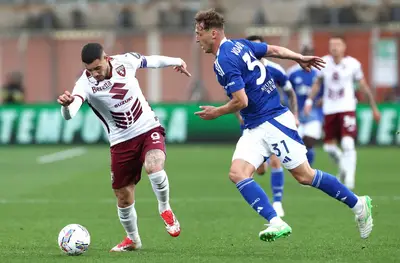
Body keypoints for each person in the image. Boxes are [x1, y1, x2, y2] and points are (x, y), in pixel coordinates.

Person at [193, 9, 373, 242]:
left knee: (305, 176)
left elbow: (241, 100)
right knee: (237, 173)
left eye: (199, 33)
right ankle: (276, 221)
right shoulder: (241, 45)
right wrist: (298, 57)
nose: (197, 38)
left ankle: (359, 205)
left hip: (274, 121)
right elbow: (274, 50)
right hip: (255, 126)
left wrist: (216, 112)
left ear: (213, 33)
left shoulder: (224, 61)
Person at [57, 43, 191, 252]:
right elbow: (71, 112)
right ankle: (133, 239)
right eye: (89, 70)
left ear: (106, 58)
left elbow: (151, 61)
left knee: (154, 166)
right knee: (123, 196)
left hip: (147, 127)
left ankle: (165, 208)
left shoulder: (125, 61)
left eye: (97, 68)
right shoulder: (84, 84)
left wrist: (177, 61)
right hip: (120, 141)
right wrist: (65, 107)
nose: (94, 74)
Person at [233, 35, 299, 218]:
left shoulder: (275, 69)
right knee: (259, 170)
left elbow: (289, 91)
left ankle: (277, 202)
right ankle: (264, 203)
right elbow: (234, 99)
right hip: (251, 124)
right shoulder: (240, 70)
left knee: (277, 160)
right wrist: (239, 116)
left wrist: (295, 115)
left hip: (272, 120)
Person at [304, 35, 380, 190]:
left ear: (344, 47)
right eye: (332, 44)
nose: (334, 47)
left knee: (347, 143)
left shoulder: (353, 64)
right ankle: (343, 169)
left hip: (347, 108)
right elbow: (317, 84)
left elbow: (363, 86)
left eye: (338, 44)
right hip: (330, 109)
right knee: (329, 148)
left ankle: (350, 179)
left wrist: (374, 107)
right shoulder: (324, 63)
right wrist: (309, 101)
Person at [287, 46, 324, 167]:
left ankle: (309, 168)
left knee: (310, 140)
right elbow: (286, 90)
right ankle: (303, 168)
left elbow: (326, 90)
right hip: (297, 112)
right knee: (299, 143)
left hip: (314, 112)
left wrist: (322, 99)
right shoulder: (292, 72)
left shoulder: (319, 74)